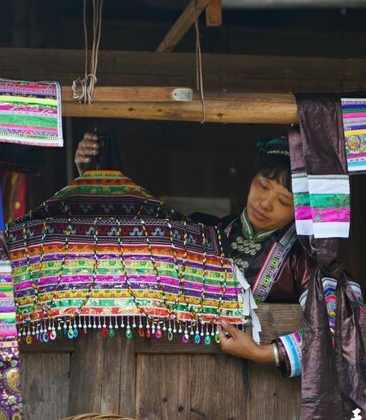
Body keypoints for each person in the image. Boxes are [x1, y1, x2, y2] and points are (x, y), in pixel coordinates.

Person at [75, 132, 316, 377]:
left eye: (284, 201)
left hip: (261, 394)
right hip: (178, 376)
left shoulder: (303, 259)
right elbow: (135, 238)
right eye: (263, 186)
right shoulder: (205, 233)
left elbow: (337, 327)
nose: (265, 203)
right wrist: (94, 173)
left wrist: (263, 353)